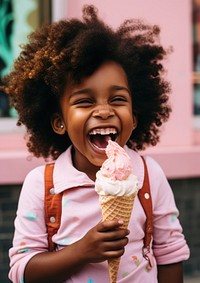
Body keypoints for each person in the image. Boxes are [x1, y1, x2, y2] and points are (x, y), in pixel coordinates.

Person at [1, 5, 189, 283]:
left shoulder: (149, 176)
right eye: (85, 101)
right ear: (59, 122)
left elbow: (170, 254)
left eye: (117, 99)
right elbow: (21, 272)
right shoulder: (42, 184)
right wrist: (80, 252)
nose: (103, 111)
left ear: (135, 119)